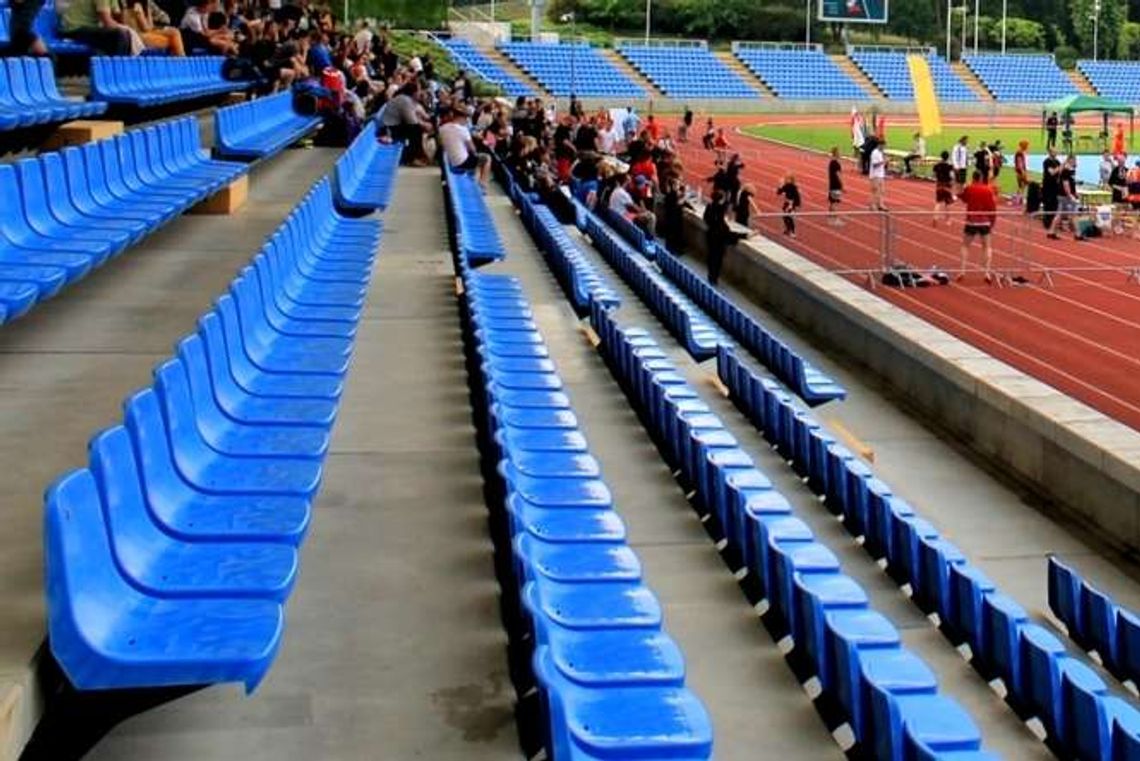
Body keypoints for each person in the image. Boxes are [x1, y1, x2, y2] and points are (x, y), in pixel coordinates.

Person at [378, 80, 434, 166]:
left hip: (393, 126)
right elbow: (412, 121)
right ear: (413, 92)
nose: (420, 93)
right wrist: (424, 125)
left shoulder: (406, 99)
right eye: (419, 91)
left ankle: (418, 155)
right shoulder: (404, 100)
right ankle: (412, 158)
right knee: (416, 130)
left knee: (416, 128)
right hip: (389, 129)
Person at [958, 170, 998, 282]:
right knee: (987, 247)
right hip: (985, 222)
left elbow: (963, 198)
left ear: (973, 177)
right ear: (981, 178)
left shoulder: (969, 188)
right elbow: (992, 207)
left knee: (965, 245)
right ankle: (987, 273)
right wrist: (992, 222)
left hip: (971, 221)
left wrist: (964, 188)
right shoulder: (987, 190)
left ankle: (962, 270)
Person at [439, 105, 491, 185]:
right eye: (466, 118)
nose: (466, 121)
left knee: (474, 158)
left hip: (450, 159)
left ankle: (473, 177)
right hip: (461, 162)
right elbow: (473, 149)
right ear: (461, 117)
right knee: (487, 158)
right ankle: (482, 184)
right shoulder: (463, 130)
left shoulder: (442, 128)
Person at [61, 0, 135, 54]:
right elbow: (107, 22)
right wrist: (125, 29)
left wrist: (124, 5)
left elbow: (119, 19)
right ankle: (115, 70)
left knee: (125, 34)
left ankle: (122, 67)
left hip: (89, 27)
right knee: (120, 35)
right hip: (73, 28)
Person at [703, 190, 732, 286]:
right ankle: (713, 278)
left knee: (711, 257)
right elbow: (725, 229)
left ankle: (711, 276)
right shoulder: (720, 210)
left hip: (710, 235)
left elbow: (706, 218)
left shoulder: (710, 206)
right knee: (717, 259)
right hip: (718, 239)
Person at [1048, 155, 1080, 240]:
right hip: (1065, 196)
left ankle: (1051, 231)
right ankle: (1078, 234)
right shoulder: (1066, 171)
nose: (1076, 162)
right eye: (1075, 160)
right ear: (1070, 161)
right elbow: (1066, 184)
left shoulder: (1071, 171)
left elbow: (1071, 183)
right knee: (1073, 215)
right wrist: (1070, 196)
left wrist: (1075, 193)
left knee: (1059, 214)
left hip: (1063, 195)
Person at [1040, 147, 1062, 232]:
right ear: (1050, 153)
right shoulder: (1047, 162)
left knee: (1055, 205)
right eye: (1054, 152)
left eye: (1056, 151)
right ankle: (1047, 222)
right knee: (1048, 204)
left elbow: (1060, 172)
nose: (1056, 153)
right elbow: (1052, 172)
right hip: (1048, 187)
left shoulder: (1057, 162)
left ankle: (1053, 223)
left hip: (1055, 187)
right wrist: (1059, 168)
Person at [932, 150, 954, 226]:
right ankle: (948, 220)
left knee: (938, 203)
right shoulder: (949, 166)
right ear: (948, 157)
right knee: (947, 204)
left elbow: (934, 175)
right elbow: (952, 176)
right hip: (947, 186)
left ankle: (935, 218)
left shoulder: (936, 165)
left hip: (939, 185)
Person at [776, 174, 801, 238]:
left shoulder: (793, 187)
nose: (786, 180)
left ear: (791, 180)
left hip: (791, 204)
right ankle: (787, 229)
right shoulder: (786, 186)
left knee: (789, 217)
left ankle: (792, 231)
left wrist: (796, 205)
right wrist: (780, 185)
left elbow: (797, 196)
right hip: (786, 203)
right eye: (786, 179)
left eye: (787, 179)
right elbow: (779, 193)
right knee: (784, 216)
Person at [869, 138, 887, 211]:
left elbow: (882, 164)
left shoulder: (881, 152)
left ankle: (880, 204)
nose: (884, 147)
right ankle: (872, 205)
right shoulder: (874, 153)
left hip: (881, 174)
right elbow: (875, 165)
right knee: (875, 190)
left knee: (882, 190)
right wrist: (884, 161)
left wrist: (885, 162)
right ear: (880, 145)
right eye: (883, 146)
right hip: (875, 174)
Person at [827, 147, 844, 226]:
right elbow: (838, 175)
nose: (841, 154)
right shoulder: (836, 163)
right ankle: (835, 220)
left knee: (832, 202)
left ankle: (830, 219)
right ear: (836, 153)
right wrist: (842, 185)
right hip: (836, 185)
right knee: (835, 203)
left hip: (831, 185)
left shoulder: (831, 162)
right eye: (839, 152)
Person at [1013, 140, 1030, 206]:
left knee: (1021, 185)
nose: (1028, 147)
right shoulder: (1019, 153)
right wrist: (1023, 172)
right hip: (1021, 171)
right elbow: (1020, 162)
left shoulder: (1020, 152)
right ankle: (1019, 199)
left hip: (1019, 171)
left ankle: (1019, 198)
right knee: (1022, 185)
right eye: (1027, 145)